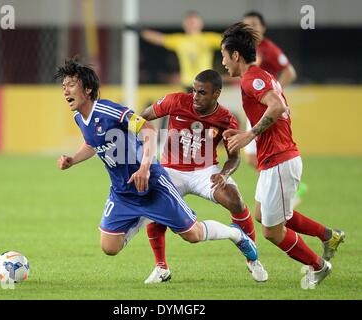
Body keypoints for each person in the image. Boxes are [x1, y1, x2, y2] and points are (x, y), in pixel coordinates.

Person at [55, 58, 258, 282]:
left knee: (193, 235)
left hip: (152, 182)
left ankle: (235, 233)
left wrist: (144, 167)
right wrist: (73, 159)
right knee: (109, 247)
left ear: (88, 89)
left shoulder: (111, 111)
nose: (65, 90)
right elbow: (93, 143)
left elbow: (149, 129)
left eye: (71, 85)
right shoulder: (80, 118)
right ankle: (152, 243)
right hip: (122, 191)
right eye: (64, 86)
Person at [220, 23, 345, 288]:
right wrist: (246, 131)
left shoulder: (251, 78)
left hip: (280, 159)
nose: (222, 62)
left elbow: (276, 106)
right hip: (274, 160)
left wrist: (249, 134)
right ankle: (328, 236)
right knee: (264, 214)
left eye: (223, 55)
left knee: (272, 231)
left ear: (236, 56)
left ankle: (318, 266)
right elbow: (271, 107)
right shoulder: (260, 76)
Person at [140, 69, 268, 284]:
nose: (195, 97)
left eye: (202, 93)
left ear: (216, 94)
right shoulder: (176, 101)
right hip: (172, 170)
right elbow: (142, 117)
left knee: (235, 201)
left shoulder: (226, 119)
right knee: (155, 210)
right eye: (194, 90)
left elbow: (233, 158)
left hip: (205, 171)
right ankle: (161, 268)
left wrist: (225, 174)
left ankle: (252, 259)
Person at [241, 12, 307, 207]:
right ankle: (284, 188)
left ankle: (287, 189)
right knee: (252, 157)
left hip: (268, 107)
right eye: (246, 25)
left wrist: (274, 90)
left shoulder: (268, 49)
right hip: (255, 107)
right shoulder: (247, 49)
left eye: (253, 24)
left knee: (267, 153)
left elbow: (290, 72)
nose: (250, 28)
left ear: (263, 28)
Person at [141, 11, 220, 92]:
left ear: (200, 24)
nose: (191, 25)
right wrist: (141, 31)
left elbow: (228, 40)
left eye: (193, 22)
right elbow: (160, 39)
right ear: (184, 25)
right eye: (189, 22)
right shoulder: (180, 40)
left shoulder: (209, 39)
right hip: (189, 83)